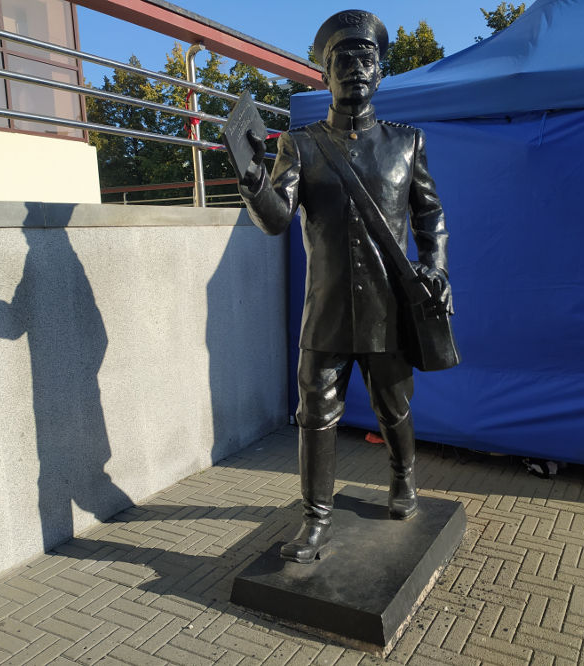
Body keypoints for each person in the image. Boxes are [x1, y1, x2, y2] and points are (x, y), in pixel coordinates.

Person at [230, 10, 452, 563]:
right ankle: (315, 520)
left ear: (380, 71)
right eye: (342, 59)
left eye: (365, 58)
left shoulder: (406, 143)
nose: (355, 68)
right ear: (324, 73)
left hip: (388, 308)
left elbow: (430, 215)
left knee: (393, 405)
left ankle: (403, 478)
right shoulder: (300, 146)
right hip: (326, 308)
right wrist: (253, 180)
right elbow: (277, 220)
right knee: (315, 414)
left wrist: (437, 267)